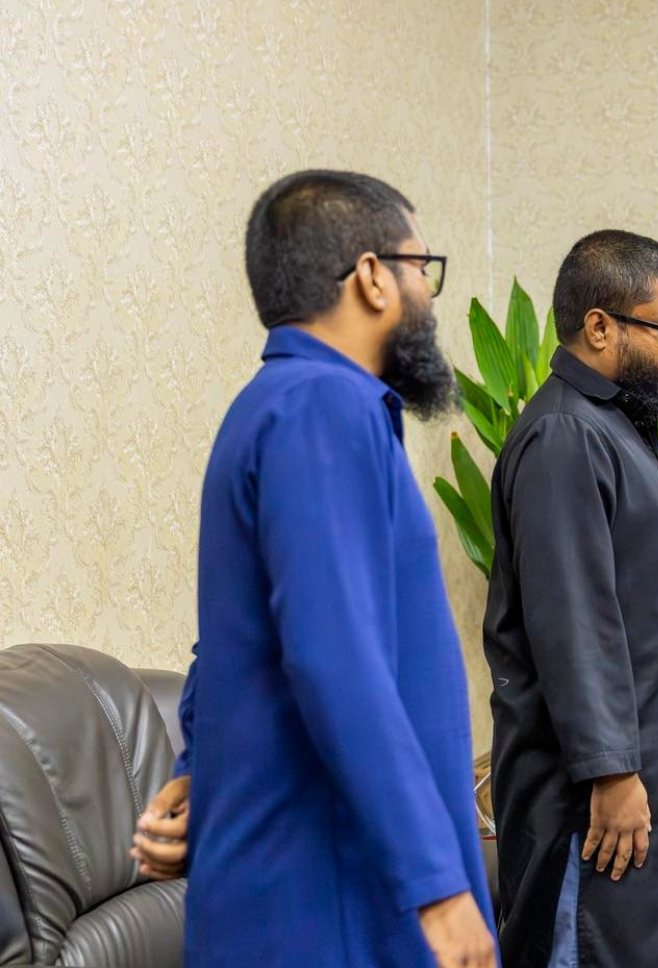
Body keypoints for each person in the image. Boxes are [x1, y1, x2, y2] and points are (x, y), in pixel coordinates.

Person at [130, 170, 496, 968]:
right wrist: (436, 886)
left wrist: (198, 772)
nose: (428, 297)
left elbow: (235, 644)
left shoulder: (280, 403)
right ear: (371, 277)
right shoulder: (323, 408)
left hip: (320, 878)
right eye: (421, 268)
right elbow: (333, 656)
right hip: (334, 894)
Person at [482, 230, 658, 968]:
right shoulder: (565, 433)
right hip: (597, 798)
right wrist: (612, 771)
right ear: (600, 327)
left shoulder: (621, 424)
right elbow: (573, 621)